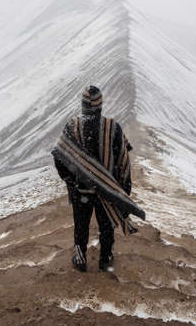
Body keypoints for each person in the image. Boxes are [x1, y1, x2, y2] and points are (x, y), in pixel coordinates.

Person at [52, 85, 145, 272]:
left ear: (83, 105)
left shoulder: (72, 126)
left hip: (81, 191)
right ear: (100, 106)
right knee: (106, 227)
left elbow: (59, 155)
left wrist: (70, 180)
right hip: (106, 192)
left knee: (81, 226)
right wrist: (120, 191)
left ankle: (80, 258)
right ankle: (106, 258)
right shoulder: (113, 128)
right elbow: (123, 161)